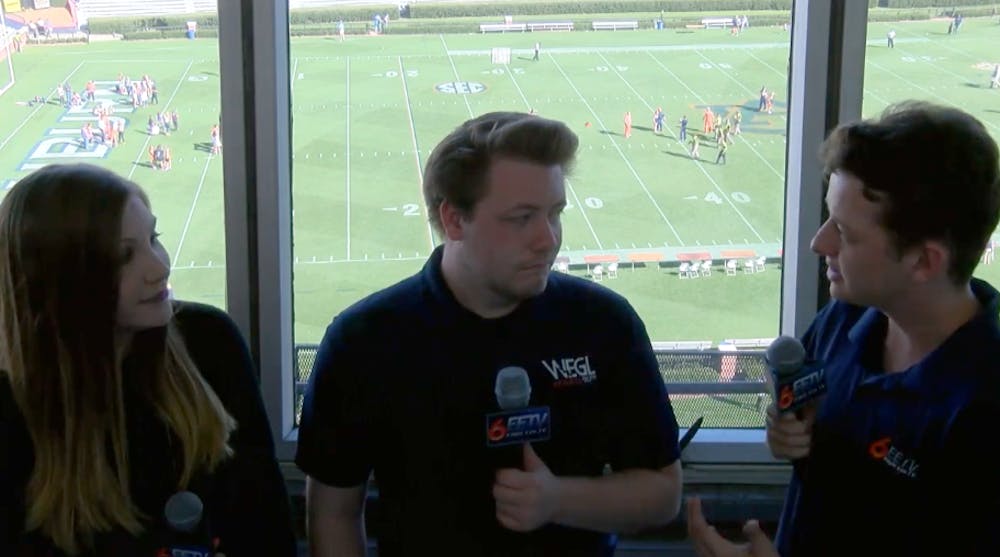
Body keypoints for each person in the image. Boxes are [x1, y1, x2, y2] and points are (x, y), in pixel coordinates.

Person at [296, 112, 683, 557]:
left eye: (554, 213)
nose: (548, 239)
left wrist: (557, 499)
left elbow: (662, 493)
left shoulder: (604, 324)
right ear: (454, 220)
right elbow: (333, 512)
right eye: (521, 218)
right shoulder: (364, 341)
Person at [691, 101, 1000, 556]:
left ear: (925, 261)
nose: (820, 243)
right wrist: (784, 428)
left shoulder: (983, 413)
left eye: (845, 232)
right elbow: (810, 419)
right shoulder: (847, 317)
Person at [0, 164, 297, 557]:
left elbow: (267, 528)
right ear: (61, 277)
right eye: (124, 255)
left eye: (153, 238)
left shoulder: (209, 343)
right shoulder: (10, 412)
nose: (160, 267)